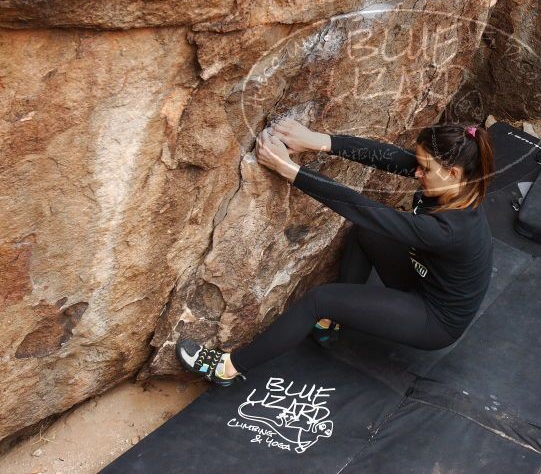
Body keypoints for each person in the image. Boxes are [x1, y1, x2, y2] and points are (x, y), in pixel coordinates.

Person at [175, 120, 494, 386]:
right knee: (366, 234)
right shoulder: (455, 185)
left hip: (434, 319)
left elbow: (362, 209)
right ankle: (330, 324)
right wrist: (317, 141)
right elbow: (385, 156)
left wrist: (290, 171)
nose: (416, 172)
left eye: (425, 168)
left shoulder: (450, 230)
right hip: (421, 277)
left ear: (453, 174)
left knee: (320, 298)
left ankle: (227, 368)